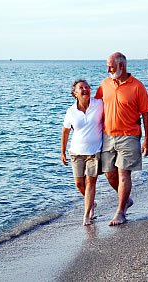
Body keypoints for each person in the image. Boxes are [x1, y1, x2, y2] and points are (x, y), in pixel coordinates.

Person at [95, 52, 148, 226]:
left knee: (123, 173)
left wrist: (147, 140)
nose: (108, 69)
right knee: (109, 173)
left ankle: (121, 212)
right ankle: (126, 199)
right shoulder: (105, 84)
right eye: (107, 66)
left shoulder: (137, 86)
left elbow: (147, 114)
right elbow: (94, 107)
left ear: (122, 66)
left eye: (111, 66)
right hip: (107, 136)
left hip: (129, 136)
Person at [61, 79, 104, 226]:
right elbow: (66, 132)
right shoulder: (71, 111)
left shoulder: (99, 104)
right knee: (79, 183)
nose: (85, 89)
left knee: (90, 182)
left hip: (94, 152)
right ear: (75, 93)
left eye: (87, 87)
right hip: (76, 152)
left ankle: (87, 215)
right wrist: (63, 152)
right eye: (81, 88)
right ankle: (91, 202)